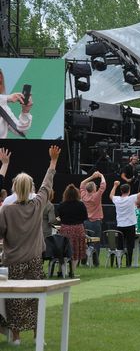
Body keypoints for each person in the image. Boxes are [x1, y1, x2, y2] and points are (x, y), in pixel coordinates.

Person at [0, 145, 60, 345]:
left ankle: (16, 337)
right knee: (35, 298)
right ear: (31, 188)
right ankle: (37, 335)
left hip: (13, 260)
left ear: (14, 189)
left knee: (14, 300)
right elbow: (47, 184)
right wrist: (52, 161)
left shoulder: (6, 211)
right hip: (34, 259)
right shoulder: (37, 205)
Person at [110, 177, 140, 267]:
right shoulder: (131, 198)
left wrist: (114, 185)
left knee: (119, 245)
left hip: (120, 225)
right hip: (130, 225)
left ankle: (118, 263)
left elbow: (111, 195)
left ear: (121, 191)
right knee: (130, 245)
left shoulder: (117, 199)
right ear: (129, 191)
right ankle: (128, 263)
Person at [56, 184, 89, 275]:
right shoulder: (81, 204)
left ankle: (61, 271)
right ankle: (72, 272)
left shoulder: (61, 205)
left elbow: (59, 217)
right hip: (78, 229)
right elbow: (85, 217)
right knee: (76, 251)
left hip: (65, 229)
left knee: (63, 251)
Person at [80, 171, 106, 266]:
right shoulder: (96, 196)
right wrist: (101, 175)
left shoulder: (83, 195)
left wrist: (92, 177)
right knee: (96, 242)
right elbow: (103, 186)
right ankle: (95, 261)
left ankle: (84, 258)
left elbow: (82, 183)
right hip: (96, 222)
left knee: (86, 241)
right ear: (94, 189)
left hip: (86, 221)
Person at [0, 68, 32, 138]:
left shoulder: (3, 107)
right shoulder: (3, 101)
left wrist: (25, 111)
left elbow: (21, 131)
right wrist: (8, 98)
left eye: (0, 83)